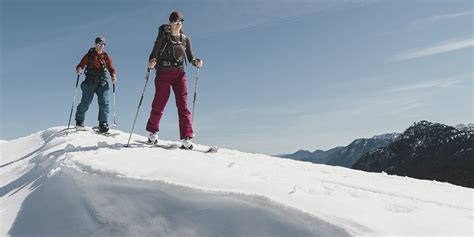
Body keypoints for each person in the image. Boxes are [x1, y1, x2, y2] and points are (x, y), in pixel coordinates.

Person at [146, 11, 203, 149]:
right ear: (170, 23)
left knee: (183, 105)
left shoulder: (185, 39)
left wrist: (197, 62)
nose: (178, 24)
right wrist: (152, 61)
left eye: (181, 21)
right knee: (159, 103)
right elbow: (154, 51)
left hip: (180, 74)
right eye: (176, 21)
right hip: (163, 73)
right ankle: (152, 132)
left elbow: (190, 58)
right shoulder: (163, 37)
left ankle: (186, 137)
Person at [75, 37, 117, 133]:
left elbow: (111, 68)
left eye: (103, 44)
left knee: (104, 102)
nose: (101, 46)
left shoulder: (106, 56)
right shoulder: (89, 55)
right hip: (90, 81)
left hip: (102, 82)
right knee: (85, 103)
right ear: (95, 44)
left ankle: (103, 123)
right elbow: (81, 64)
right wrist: (79, 69)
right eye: (99, 44)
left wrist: (113, 76)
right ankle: (79, 121)